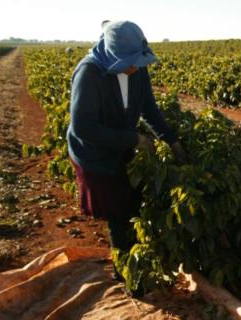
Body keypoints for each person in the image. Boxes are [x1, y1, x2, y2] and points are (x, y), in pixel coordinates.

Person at [66, 20, 185, 288]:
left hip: (121, 145)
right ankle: (126, 275)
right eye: (127, 61)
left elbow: (148, 108)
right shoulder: (89, 73)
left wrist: (171, 140)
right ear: (110, 55)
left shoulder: (138, 71)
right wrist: (134, 139)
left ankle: (134, 257)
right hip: (95, 152)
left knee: (131, 204)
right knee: (117, 213)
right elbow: (84, 127)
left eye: (137, 61)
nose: (133, 67)